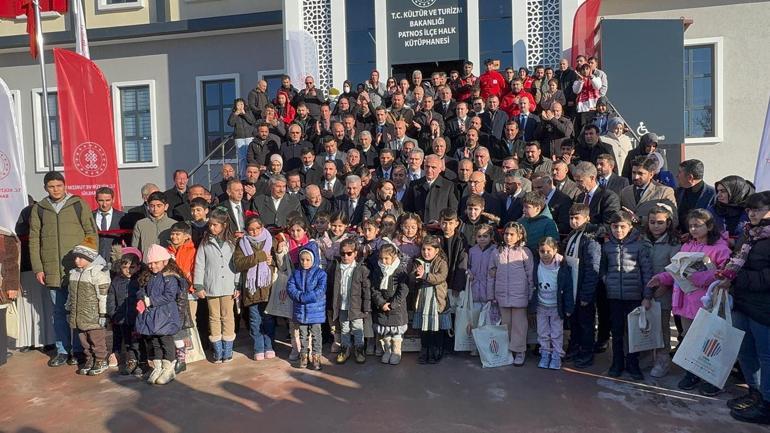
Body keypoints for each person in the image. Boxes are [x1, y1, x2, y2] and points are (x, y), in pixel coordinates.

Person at [647, 209, 731, 394]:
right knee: (690, 338)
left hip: (708, 302)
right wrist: (661, 278)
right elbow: (676, 270)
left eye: (697, 225)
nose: (693, 229)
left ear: (709, 226)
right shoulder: (687, 246)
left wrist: (705, 276)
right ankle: (692, 373)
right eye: (691, 226)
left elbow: (727, 274)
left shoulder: (720, 248)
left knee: (709, 341)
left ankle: (710, 378)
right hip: (686, 301)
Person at [30, 171, 98, 367]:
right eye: (51, 187)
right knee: (58, 312)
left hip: (77, 269)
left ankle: (78, 350)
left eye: (59, 186)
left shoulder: (78, 204)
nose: (56, 190)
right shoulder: (40, 209)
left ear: (65, 185)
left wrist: (87, 260)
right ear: (45, 188)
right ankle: (62, 350)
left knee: (77, 312)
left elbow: (91, 233)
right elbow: (34, 240)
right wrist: (38, 268)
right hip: (52, 270)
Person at [717, 192, 770, 424]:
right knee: (745, 351)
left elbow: (766, 277)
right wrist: (726, 273)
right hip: (741, 302)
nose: (752, 213)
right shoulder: (749, 234)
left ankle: (767, 404)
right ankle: (755, 393)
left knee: (766, 356)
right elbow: (736, 260)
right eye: (749, 209)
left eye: (757, 209)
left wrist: (736, 279)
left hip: (764, 308)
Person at [600, 210, 653, 380]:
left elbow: (647, 272)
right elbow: (603, 268)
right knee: (616, 331)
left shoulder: (640, 246)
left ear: (630, 227)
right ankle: (617, 362)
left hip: (634, 297)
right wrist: (607, 280)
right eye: (615, 227)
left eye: (622, 227)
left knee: (633, 332)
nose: (618, 230)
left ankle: (632, 363)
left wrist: (647, 296)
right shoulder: (607, 246)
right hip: (614, 296)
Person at [193, 209, 239, 364]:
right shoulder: (205, 242)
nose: (211, 228)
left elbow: (237, 264)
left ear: (224, 225)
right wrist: (198, 285)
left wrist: (237, 284)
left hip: (228, 286)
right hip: (211, 286)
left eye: (215, 225)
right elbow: (199, 264)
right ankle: (217, 351)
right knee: (214, 316)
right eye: (210, 225)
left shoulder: (232, 242)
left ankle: (228, 350)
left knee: (228, 316)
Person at [640, 205, 680, 378]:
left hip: (663, 291)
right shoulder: (642, 239)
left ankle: (663, 360)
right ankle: (647, 356)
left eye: (660, 222)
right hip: (643, 290)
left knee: (662, 327)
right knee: (646, 324)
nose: (656, 226)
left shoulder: (674, 243)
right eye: (652, 222)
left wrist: (664, 287)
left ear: (668, 223)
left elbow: (675, 268)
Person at [135, 244, 184, 385]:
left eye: (156, 262)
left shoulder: (170, 277)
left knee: (165, 341)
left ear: (165, 261)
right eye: (150, 263)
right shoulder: (148, 276)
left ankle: (168, 368)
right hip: (152, 315)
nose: (152, 266)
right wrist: (142, 297)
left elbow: (169, 295)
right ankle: (158, 366)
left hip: (166, 315)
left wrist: (150, 301)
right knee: (154, 341)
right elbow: (141, 289)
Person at [488, 222, 534, 366]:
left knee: (519, 325)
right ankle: (507, 349)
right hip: (502, 295)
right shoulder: (497, 252)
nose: (508, 237)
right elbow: (491, 274)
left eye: (512, 234)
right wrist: (491, 294)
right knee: (505, 325)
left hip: (520, 294)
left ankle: (519, 350)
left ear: (519, 236)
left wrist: (530, 294)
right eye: (506, 234)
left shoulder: (525, 252)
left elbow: (530, 275)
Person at [562, 204, 602, 368]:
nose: (573, 221)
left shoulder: (590, 239)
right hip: (572, 287)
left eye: (577, 218)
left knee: (586, 323)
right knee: (575, 321)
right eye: (571, 218)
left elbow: (593, 268)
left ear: (587, 218)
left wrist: (587, 294)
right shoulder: (573, 235)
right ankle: (574, 347)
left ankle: (586, 352)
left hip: (583, 289)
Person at [233, 215, 276, 361]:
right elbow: (238, 263)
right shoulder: (242, 243)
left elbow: (279, 262)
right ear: (246, 230)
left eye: (258, 228)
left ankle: (269, 346)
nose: (255, 232)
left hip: (267, 287)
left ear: (262, 227)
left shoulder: (271, 240)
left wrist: (272, 261)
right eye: (251, 230)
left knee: (268, 319)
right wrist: (259, 256)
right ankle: (258, 347)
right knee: (254, 320)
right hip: (251, 289)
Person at [67, 239, 111, 376]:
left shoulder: (98, 273)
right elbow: (71, 293)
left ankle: (101, 359)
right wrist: (68, 307)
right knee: (84, 341)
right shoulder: (74, 273)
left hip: (94, 316)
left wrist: (103, 314)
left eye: (81, 258)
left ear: (90, 258)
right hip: (78, 316)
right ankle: (90, 358)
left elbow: (103, 296)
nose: (77, 261)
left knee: (96, 339)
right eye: (76, 257)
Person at [531, 237, 574, 370]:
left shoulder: (561, 267)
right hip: (541, 306)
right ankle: (545, 354)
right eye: (542, 251)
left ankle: (556, 356)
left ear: (555, 250)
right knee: (542, 332)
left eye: (548, 251)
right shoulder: (536, 265)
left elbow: (567, 288)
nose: (545, 254)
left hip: (556, 307)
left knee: (556, 333)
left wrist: (568, 307)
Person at [327, 238, 371, 364]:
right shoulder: (336, 267)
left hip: (356, 306)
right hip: (341, 305)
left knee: (358, 328)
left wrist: (366, 307)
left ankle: (359, 349)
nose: (345, 256)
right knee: (344, 329)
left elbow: (366, 289)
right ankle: (345, 349)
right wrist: (331, 306)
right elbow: (331, 287)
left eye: (349, 253)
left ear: (356, 253)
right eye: (342, 253)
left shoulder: (361, 268)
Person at [287, 241, 326, 370]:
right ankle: (304, 355)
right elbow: (290, 287)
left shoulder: (320, 274)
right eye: (302, 260)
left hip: (315, 312)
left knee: (316, 335)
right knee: (303, 335)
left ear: (314, 259)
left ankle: (316, 356)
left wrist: (304, 297)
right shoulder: (296, 273)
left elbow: (320, 290)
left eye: (308, 260)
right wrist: (298, 296)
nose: (304, 262)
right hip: (301, 312)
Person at [411, 235, 450, 365]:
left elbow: (441, 277)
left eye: (429, 249)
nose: (426, 252)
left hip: (435, 299)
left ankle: (436, 350)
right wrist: (416, 275)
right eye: (423, 249)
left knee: (436, 327)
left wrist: (425, 275)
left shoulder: (441, 262)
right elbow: (412, 278)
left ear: (436, 250)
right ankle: (425, 349)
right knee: (424, 327)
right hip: (423, 298)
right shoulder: (418, 261)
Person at [166, 222, 197, 374]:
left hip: (189, 291)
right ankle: (180, 354)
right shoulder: (167, 251)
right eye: (173, 234)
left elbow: (194, 268)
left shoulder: (192, 250)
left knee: (190, 322)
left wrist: (192, 286)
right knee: (176, 322)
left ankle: (191, 352)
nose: (174, 237)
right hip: (173, 293)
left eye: (178, 234)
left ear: (186, 236)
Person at [370, 243, 409, 365]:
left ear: (393, 257)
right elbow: (374, 289)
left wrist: (392, 304)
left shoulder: (400, 271)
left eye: (386, 258)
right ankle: (387, 350)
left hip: (396, 308)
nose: (383, 261)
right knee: (385, 331)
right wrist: (381, 303)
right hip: (382, 307)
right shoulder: (378, 271)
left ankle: (396, 352)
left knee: (396, 332)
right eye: (381, 258)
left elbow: (403, 290)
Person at [107, 249, 144, 376]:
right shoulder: (116, 281)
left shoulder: (140, 281)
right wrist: (113, 313)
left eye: (132, 267)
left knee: (137, 341)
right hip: (122, 317)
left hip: (137, 317)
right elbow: (111, 298)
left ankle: (140, 362)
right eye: (125, 267)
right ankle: (131, 361)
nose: (128, 270)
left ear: (138, 267)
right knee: (127, 341)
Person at [620, 156, 678, 227]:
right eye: (634, 173)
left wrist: (640, 219)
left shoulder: (664, 191)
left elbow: (673, 220)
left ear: (651, 174)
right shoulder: (625, 192)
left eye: (640, 173)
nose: (636, 177)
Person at [403, 155, 459, 224]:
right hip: (420, 229)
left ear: (440, 169)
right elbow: (408, 209)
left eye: (433, 167)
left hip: (440, 229)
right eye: (427, 166)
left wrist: (441, 223)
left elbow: (453, 211)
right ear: (423, 166)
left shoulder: (448, 186)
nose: (429, 170)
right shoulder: (414, 185)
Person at [573, 161, 621, 226]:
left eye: (580, 181)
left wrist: (586, 228)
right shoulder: (580, 197)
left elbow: (608, 225)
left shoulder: (609, 197)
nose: (576, 185)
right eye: (575, 181)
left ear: (592, 178)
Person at [675, 159, 716, 234]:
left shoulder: (713, 194)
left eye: (680, 172)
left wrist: (691, 234)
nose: (677, 176)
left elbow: (713, 223)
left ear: (690, 177)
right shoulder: (678, 192)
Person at [708, 175, 754, 240]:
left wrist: (736, 242)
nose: (718, 195)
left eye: (723, 191)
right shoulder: (712, 211)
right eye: (718, 191)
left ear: (736, 192)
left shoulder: (751, 211)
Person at [131, 191, 176, 257]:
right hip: (146, 264)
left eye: (159, 206)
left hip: (167, 264)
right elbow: (135, 248)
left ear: (166, 206)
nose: (155, 209)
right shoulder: (140, 224)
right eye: (152, 206)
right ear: (148, 206)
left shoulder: (174, 224)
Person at [94, 187, 126, 264]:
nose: (104, 204)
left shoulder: (123, 217)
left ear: (113, 199)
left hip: (116, 261)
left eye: (107, 200)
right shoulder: (89, 217)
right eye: (101, 200)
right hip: (94, 261)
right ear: (96, 199)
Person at [228, 98, 257, 176]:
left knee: (250, 156)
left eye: (241, 104)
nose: (240, 106)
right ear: (235, 106)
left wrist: (244, 114)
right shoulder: (234, 114)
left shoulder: (248, 112)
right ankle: (243, 175)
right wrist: (235, 114)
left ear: (244, 105)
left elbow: (252, 121)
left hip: (249, 136)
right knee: (242, 157)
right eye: (238, 105)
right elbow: (230, 123)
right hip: (239, 138)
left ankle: (252, 174)